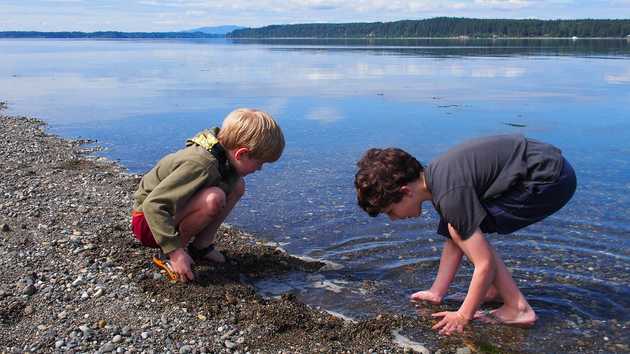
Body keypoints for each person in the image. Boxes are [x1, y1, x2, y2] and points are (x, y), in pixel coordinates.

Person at [354, 134, 576, 335]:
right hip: (545, 169)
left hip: (548, 179)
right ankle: (492, 291)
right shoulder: (438, 179)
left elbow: (484, 263)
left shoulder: (450, 195)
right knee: (460, 229)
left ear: (405, 191)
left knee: (466, 233)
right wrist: (436, 292)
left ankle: (518, 308)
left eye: (391, 211)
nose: (394, 218)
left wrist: (463, 315)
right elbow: (455, 239)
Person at [131, 108, 285, 282]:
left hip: (166, 215)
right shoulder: (200, 165)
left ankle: (201, 246)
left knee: (237, 185)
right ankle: (172, 255)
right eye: (259, 163)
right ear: (241, 153)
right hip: (148, 223)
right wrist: (175, 252)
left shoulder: (222, 154)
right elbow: (153, 205)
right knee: (214, 198)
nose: (259, 169)